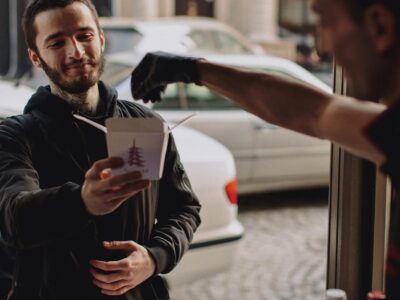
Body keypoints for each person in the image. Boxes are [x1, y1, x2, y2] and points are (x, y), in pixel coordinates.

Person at [130, 0, 400, 298]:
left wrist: (193, 70)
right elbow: (312, 111)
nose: (322, 45)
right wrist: (193, 70)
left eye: (325, 22)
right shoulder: (390, 130)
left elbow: (313, 111)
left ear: (380, 27)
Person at [0, 0, 201, 299]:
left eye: (84, 35)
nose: (76, 51)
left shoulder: (145, 124)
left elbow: (184, 209)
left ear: (101, 40)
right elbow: (13, 218)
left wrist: (153, 257)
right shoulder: (16, 135)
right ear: (36, 57)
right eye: (57, 42)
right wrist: (81, 201)